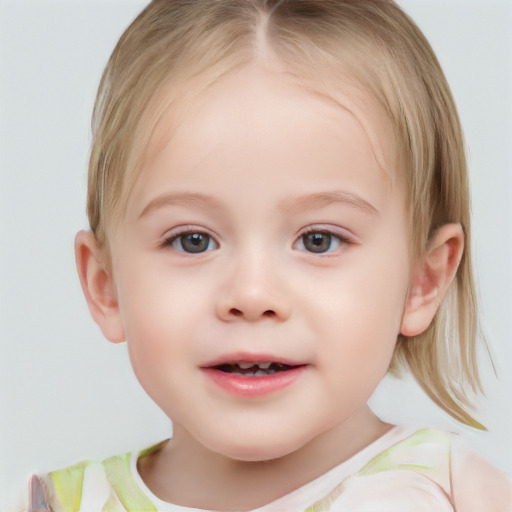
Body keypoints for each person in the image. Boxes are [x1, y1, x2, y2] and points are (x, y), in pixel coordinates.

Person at [27, 0, 512, 510]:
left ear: (423, 280)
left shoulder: (456, 494)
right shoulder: (54, 502)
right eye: (192, 240)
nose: (252, 295)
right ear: (105, 286)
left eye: (318, 240)